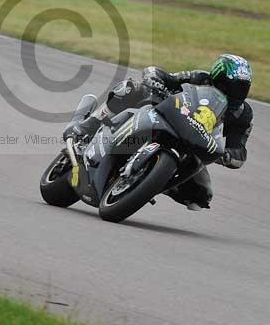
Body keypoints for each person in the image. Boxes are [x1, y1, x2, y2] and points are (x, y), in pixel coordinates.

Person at [64, 54, 254, 211]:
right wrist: (155, 82)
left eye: (243, 88)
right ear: (218, 78)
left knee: (201, 195)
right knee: (131, 88)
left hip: (194, 145)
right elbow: (161, 74)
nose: (236, 92)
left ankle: (149, 182)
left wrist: (227, 156)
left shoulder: (243, 115)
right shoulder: (199, 78)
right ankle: (87, 125)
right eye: (232, 86)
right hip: (168, 116)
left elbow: (240, 151)